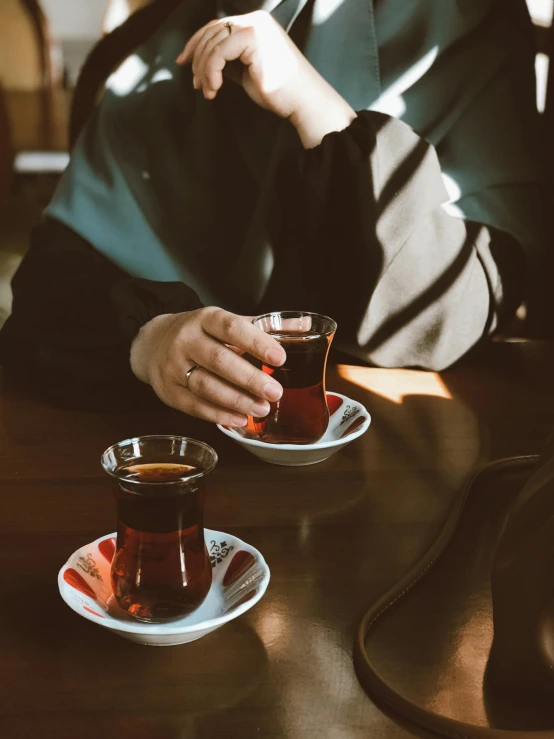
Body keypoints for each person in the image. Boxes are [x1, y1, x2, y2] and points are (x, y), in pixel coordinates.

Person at [0, 0, 546, 426]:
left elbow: (456, 310)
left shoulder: (475, 35)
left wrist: (317, 109)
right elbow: (45, 297)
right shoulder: (183, 38)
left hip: (411, 467)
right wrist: (150, 338)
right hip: (171, 464)